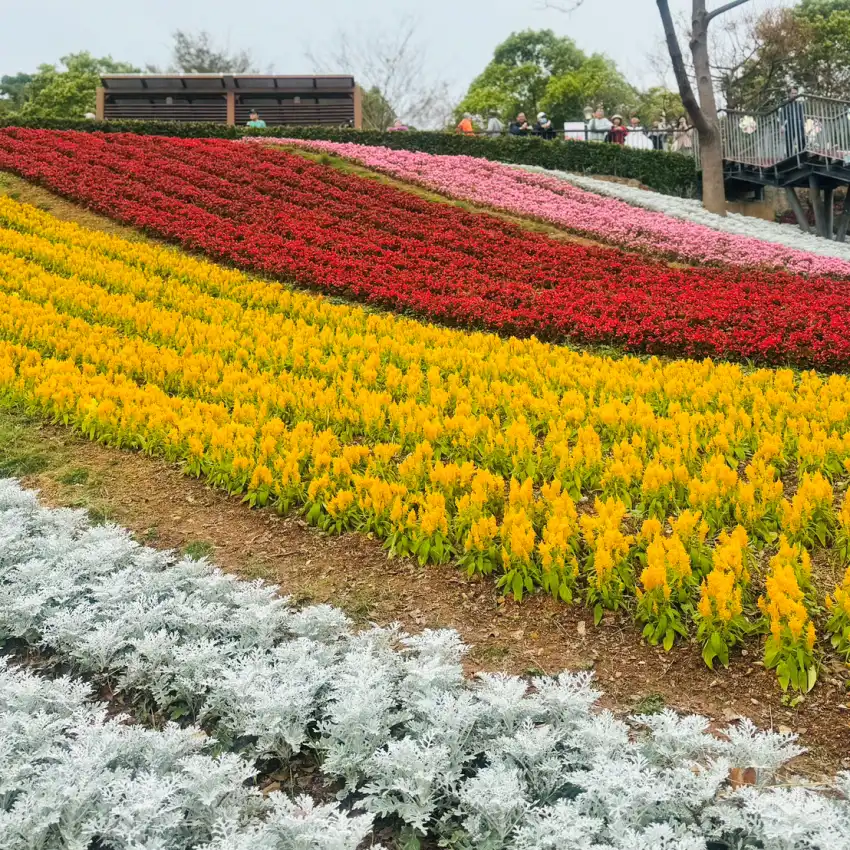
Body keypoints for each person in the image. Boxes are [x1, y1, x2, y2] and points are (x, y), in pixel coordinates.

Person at [782, 86, 806, 159]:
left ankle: (800, 156)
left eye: (795, 93)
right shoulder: (785, 105)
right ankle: (789, 158)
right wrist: (782, 125)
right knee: (789, 143)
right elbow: (782, 116)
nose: (794, 95)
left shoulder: (799, 105)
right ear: (789, 94)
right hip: (789, 125)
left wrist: (803, 126)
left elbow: (801, 116)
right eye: (793, 93)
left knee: (802, 140)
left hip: (798, 125)